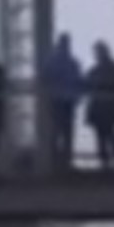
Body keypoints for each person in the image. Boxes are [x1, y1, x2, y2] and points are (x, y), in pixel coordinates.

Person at [40, 33, 85, 165]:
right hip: (67, 101)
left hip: (57, 100)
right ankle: (65, 160)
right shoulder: (73, 63)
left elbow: (44, 79)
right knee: (66, 132)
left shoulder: (52, 62)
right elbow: (79, 82)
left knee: (56, 131)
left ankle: (54, 161)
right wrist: (78, 97)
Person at [85, 41, 114, 170]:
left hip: (102, 107)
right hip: (109, 107)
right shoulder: (113, 67)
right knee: (110, 135)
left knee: (103, 136)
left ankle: (107, 163)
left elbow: (90, 84)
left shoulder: (96, 70)